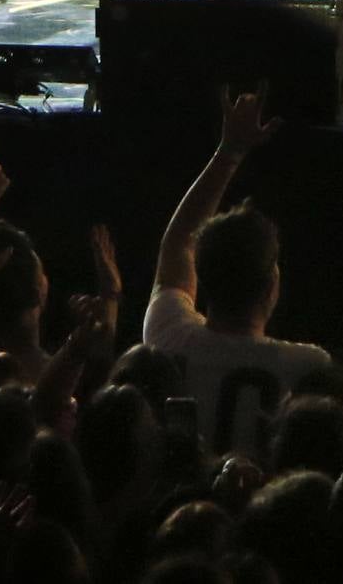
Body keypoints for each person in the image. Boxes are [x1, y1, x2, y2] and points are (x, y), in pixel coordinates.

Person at [142, 84, 330, 456]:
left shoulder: (167, 336)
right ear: (272, 286)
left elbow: (178, 244)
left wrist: (229, 152)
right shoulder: (309, 368)